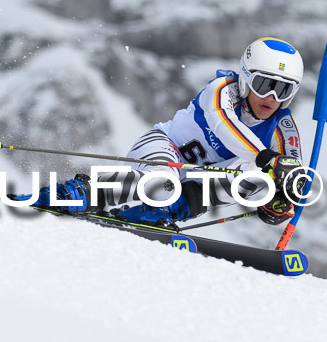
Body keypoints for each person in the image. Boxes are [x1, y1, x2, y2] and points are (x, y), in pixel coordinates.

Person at [36, 37, 305, 226]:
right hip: (165, 147)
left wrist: (281, 199)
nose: (271, 97)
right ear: (246, 78)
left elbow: (293, 173)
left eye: (283, 89)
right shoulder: (223, 89)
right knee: (162, 183)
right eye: (263, 84)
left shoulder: (283, 127)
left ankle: (157, 215)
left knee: (256, 176)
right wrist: (269, 159)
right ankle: (74, 195)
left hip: (197, 180)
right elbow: (225, 125)